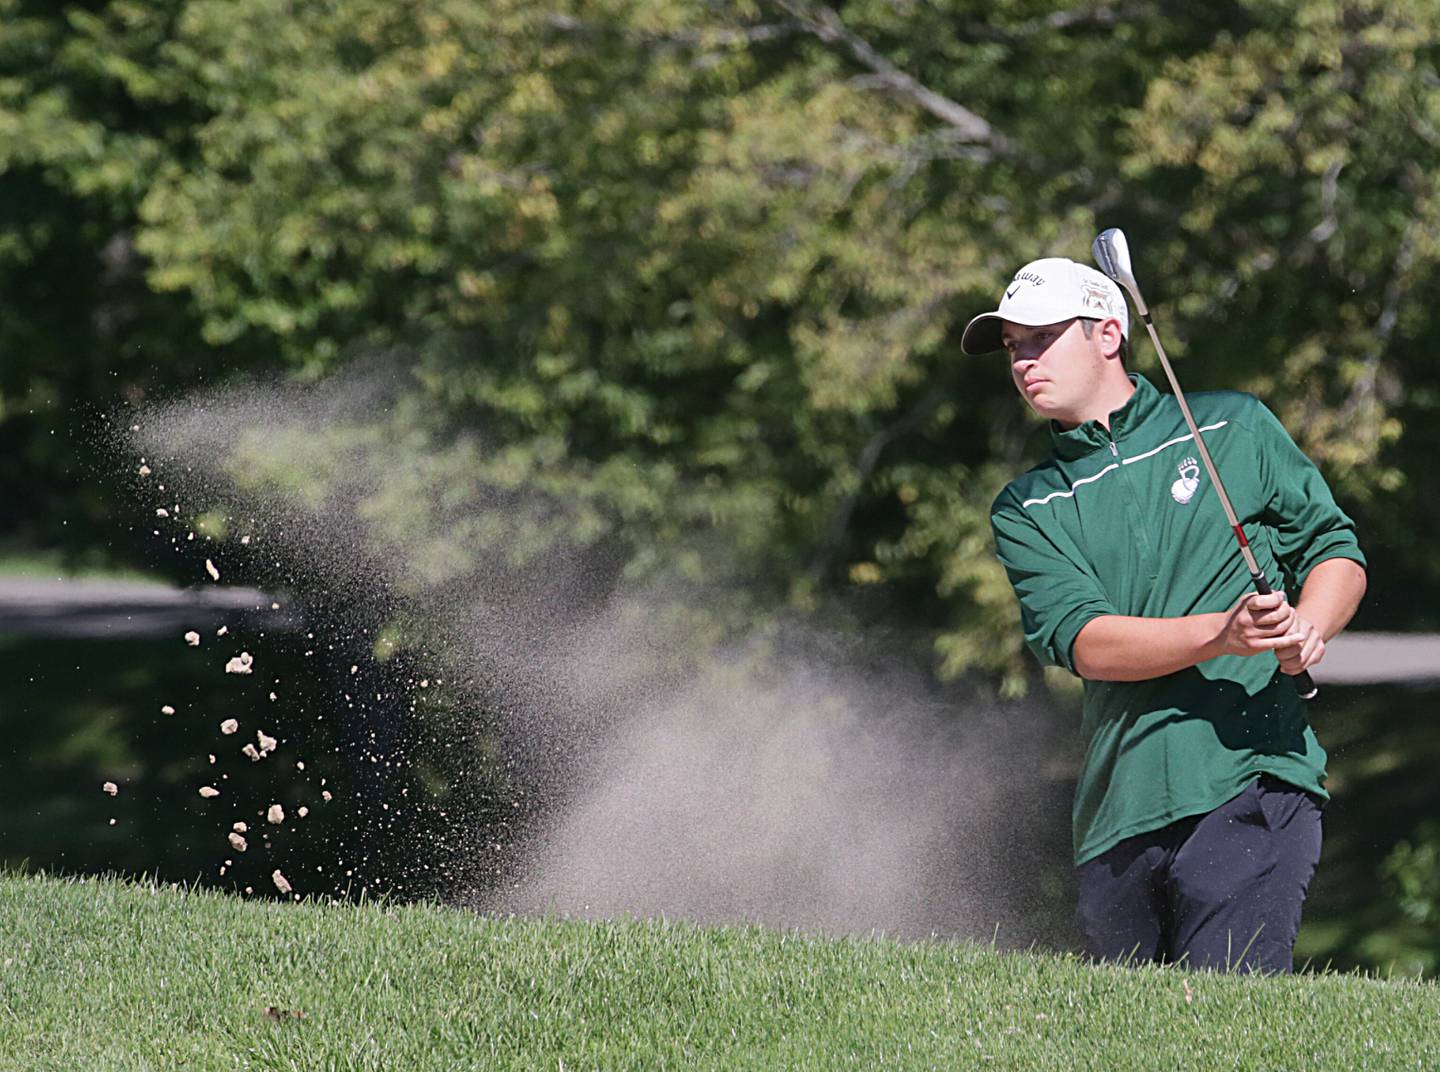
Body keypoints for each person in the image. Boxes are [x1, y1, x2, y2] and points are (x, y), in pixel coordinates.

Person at [961, 255, 1367, 973]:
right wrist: (1221, 632)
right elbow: (1087, 643)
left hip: (1251, 775)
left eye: (1041, 337)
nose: (1023, 361)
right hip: (1119, 811)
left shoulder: (1233, 427)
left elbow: (1333, 547)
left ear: (1108, 333)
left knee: (1226, 1026)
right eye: (1013, 346)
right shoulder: (1027, 507)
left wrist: (1309, 624)